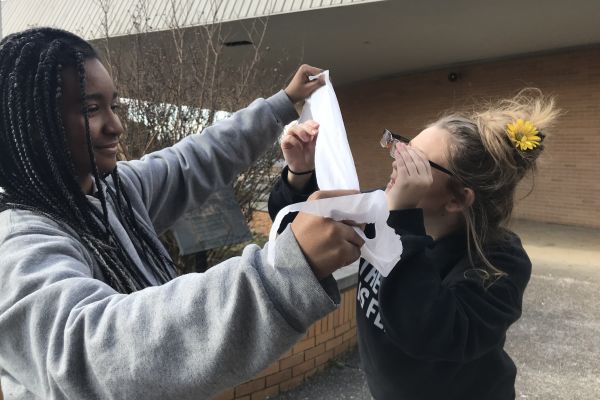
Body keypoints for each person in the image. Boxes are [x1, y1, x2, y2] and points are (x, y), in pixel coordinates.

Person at [0, 28, 365, 399]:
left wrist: (283, 103)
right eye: (91, 109)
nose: (116, 126)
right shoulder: (17, 244)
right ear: (32, 124)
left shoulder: (112, 190)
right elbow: (94, 353)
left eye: (115, 105)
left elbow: (195, 158)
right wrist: (285, 269)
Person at [268, 91, 559, 399]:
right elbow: (300, 232)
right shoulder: (385, 211)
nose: (396, 161)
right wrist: (300, 173)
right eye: (403, 147)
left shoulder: (498, 262)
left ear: (458, 199)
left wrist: (400, 219)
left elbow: (430, 332)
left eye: (415, 162)